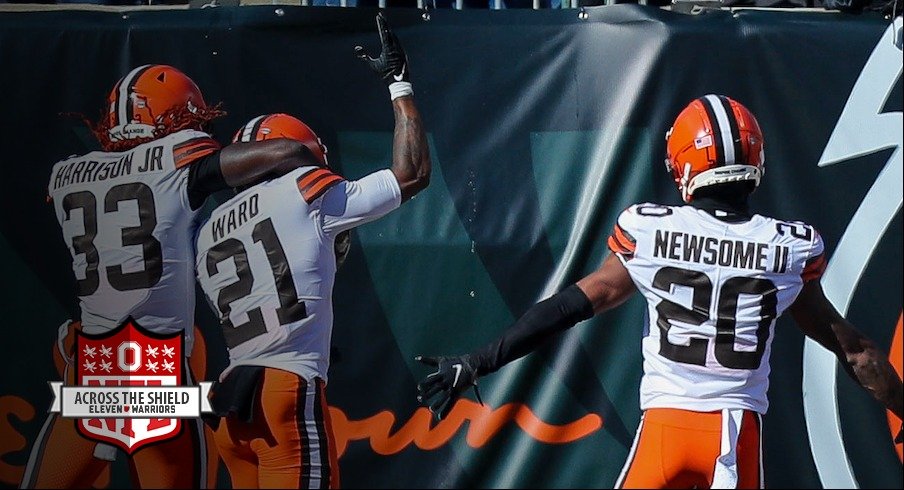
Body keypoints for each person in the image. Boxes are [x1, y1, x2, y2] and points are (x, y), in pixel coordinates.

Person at [416, 95, 903, 489]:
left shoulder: (651, 232)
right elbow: (856, 353)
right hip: (733, 436)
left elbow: (567, 307)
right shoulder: (787, 248)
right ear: (756, 160)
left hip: (664, 429)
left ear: (682, 163)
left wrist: (479, 360)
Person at [24, 64, 322, 489]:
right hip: (157, 368)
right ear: (175, 115)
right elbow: (283, 153)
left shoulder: (67, 174)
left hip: (93, 369)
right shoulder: (179, 160)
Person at [195, 14, 430, 489]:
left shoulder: (206, 228)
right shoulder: (303, 189)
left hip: (230, 402)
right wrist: (399, 85)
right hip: (285, 388)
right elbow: (412, 173)